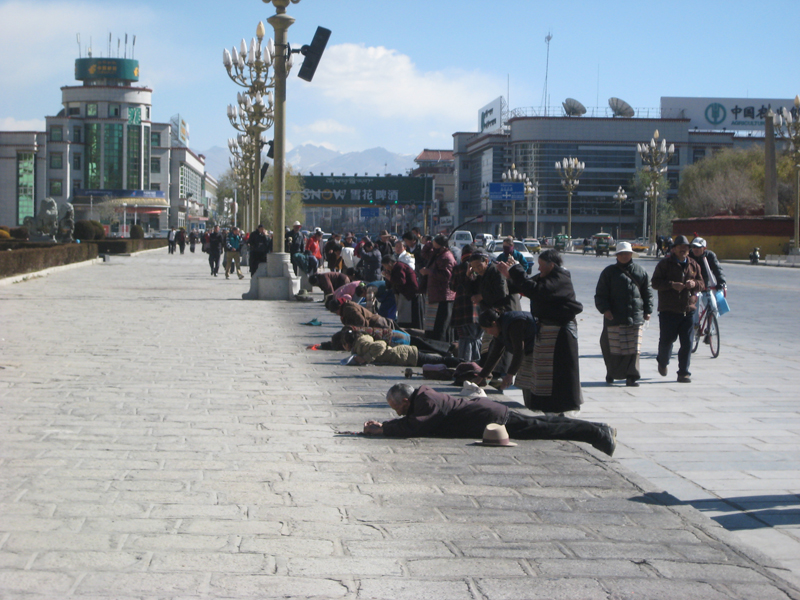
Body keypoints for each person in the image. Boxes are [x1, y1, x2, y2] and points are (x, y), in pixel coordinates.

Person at [362, 384, 617, 457]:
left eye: (396, 408)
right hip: (488, 413)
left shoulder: (427, 402)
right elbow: (414, 420)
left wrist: (385, 429)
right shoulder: (422, 398)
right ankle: (599, 428)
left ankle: (597, 433)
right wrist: (387, 425)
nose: (397, 413)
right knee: (545, 424)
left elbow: (416, 426)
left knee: (546, 429)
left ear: (406, 400)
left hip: (492, 418)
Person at [499, 249, 584, 414]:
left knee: (559, 373)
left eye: (541, 265)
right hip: (546, 331)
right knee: (544, 372)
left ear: (551, 265)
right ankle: (547, 407)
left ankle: (561, 408)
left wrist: (516, 270)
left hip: (561, 333)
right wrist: (509, 275)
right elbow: (525, 287)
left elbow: (537, 291)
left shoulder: (560, 279)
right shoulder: (546, 277)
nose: (538, 269)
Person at [594, 241, 654, 387]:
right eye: (621, 254)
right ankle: (612, 372)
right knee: (612, 347)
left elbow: (647, 293)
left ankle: (632, 376)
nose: (624, 256)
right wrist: (605, 310)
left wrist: (648, 311)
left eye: (627, 253)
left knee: (634, 348)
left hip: (635, 316)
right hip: (614, 316)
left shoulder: (640, 271)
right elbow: (600, 294)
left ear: (631, 254)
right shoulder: (608, 272)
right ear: (617, 256)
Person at [651, 235, 705, 383]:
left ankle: (683, 373)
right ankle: (663, 361)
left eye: (686, 248)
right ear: (674, 249)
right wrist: (671, 285)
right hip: (668, 310)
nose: (683, 250)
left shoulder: (693, 265)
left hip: (688, 310)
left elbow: (702, 283)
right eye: (680, 247)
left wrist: (694, 284)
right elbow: (655, 282)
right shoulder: (664, 264)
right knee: (667, 341)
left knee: (687, 343)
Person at [476, 309, 537, 403]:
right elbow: (495, 354)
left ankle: (534, 407)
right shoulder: (500, 329)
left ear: (494, 323)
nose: (487, 332)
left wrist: (509, 375)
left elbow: (519, 351)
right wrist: (481, 376)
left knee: (530, 382)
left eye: (486, 329)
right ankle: (530, 405)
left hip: (537, 350)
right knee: (524, 381)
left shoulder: (514, 324)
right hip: (528, 351)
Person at [341, 329, 461, 368]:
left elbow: (380, 345)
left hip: (407, 356)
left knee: (439, 361)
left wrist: (365, 358)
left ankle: (462, 363)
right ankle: (458, 360)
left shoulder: (361, 345)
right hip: (405, 353)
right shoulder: (361, 342)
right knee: (437, 359)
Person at [420, 234, 456, 341]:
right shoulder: (437, 253)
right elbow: (424, 253)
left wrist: (428, 272)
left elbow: (446, 276)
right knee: (431, 326)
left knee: (440, 327)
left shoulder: (446, 257)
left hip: (443, 296)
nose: (433, 247)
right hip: (435, 294)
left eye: (435, 245)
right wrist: (429, 242)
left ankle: (440, 346)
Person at [449, 244, 482, 362]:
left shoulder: (458, 268)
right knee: (476, 337)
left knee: (464, 338)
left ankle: (463, 363)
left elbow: (452, 287)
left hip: (460, 308)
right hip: (476, 308)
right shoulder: (479, 267)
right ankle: (476, 363)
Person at [690, 236, 726, 322]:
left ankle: (710, 328)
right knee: (694, 311)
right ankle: (695, 326)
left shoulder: (710, 256)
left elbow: (717, 270)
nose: (695, 249)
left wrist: (721, 281)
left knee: (713, 308)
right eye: (694, 247)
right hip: (693, 288)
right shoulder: (689, 256)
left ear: (704, 248)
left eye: (698, 247)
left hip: (706, 287)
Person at [382, 254, 421, 329]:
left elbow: (401, 281)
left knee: (406, 316)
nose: (385, 268)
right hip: (404, 293)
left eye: (385, 265)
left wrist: (389, 277)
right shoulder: (395, 268)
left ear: (389, 263)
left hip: (409, 294)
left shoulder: (399, 267)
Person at [326, 297, 395, 330]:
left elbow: (362, 322)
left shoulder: (349, 309)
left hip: (378, 324)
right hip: (376, 323)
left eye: (336, 312)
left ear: (339, 307)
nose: (337, 314)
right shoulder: (345, 309)